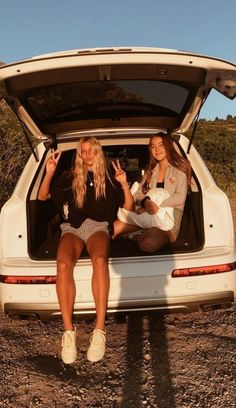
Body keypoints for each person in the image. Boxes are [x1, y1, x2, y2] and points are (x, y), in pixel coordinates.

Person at [37, 136, 133, 364]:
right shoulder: (68, 177)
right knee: (62, 265)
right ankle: (69, 332)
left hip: (98, 227)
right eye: (83, 151)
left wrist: (124, 183)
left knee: (99, 260)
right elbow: (42, 197)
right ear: (79, 154)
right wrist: (49, 171)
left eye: (91, 150)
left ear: (98, 153)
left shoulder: (109, 176)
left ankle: (99, 330)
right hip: (71, 228)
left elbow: (129, 208)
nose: (87, 154)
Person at [113, 133, 191, 252]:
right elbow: (137, 194)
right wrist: (145, 202)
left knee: (147, 244)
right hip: (148, 218)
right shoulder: (150, 171)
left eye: (161, 145)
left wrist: (153, 206)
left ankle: (135, 237)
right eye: (153, 146)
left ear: (168, 146)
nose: (157, 150)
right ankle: (139, 232)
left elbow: (180, 198)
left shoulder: (179, 169)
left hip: (168, 222)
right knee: (111, 230)